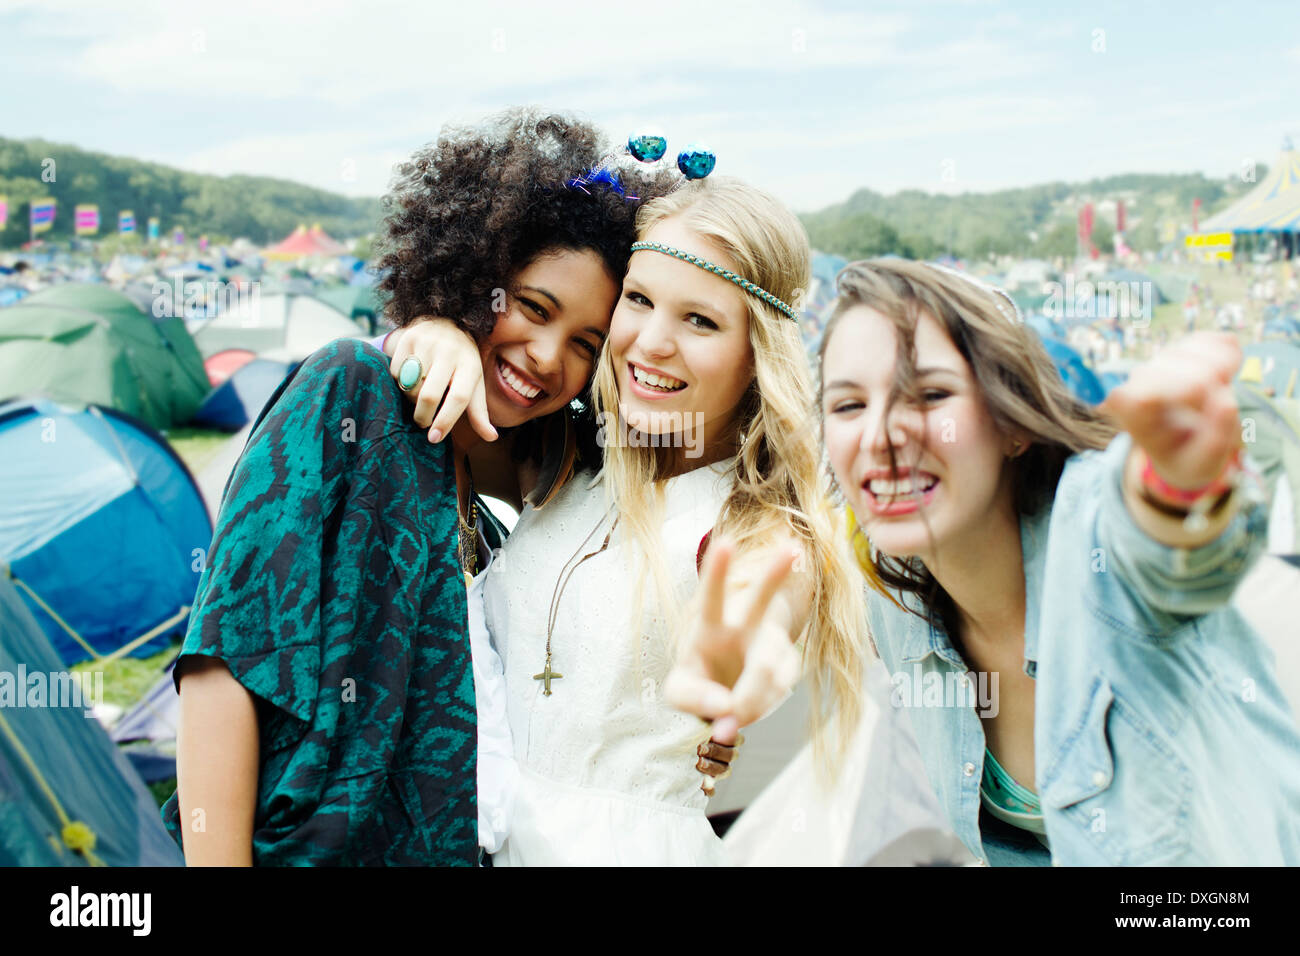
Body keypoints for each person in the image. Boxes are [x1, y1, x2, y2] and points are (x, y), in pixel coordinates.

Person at [161, 108, 686, 866]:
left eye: (585, 344)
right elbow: (225, 662)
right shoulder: (350, 393)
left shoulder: (502, 520)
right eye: (531, 308)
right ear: (473, 277)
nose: (545, 355)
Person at [395, 176, 866, 865]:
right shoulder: (565, 458)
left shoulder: (757, 529)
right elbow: (447, 426)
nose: (650, 342)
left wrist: (748, 692)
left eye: (699, 321)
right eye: (638, 301)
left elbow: (761, 630)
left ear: (757, 351)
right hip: (476, 838)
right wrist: (436, 334)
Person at [810, 258, 1300, 865]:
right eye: (849, 406)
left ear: (1012, 424)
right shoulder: (896, 601)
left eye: (931, 394)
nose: (880, 435)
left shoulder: (1096, 532)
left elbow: (1170, 546)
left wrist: (1177, 482)